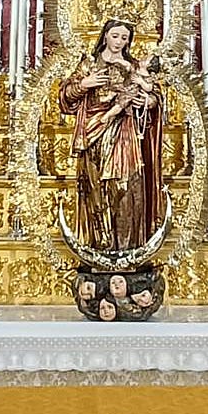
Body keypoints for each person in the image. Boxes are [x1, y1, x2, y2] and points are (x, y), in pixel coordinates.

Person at [59, 19, 164, 250]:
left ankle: (127, 247)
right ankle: (99, 245)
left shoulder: (133, 66)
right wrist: (84, 84)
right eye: (115, 35)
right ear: (105, 35)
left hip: (125, 131)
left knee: (125, 185)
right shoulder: (89, 64)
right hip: (93, 131)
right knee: (97, 188)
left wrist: (148, 101)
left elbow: (154, 95)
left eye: (124, 38)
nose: (119, 42)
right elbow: (65, 97)